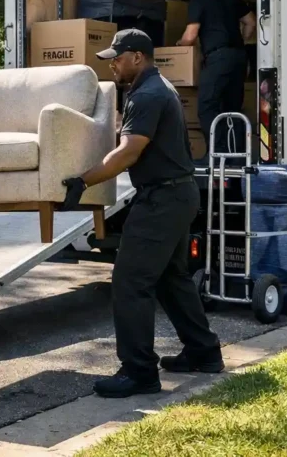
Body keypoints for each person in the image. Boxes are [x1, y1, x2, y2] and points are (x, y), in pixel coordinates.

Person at [62, 29, 223, 398]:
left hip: (162, 200)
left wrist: (82, 181)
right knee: (171, 278)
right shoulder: (154, 87)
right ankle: (204, 351)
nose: (113, 64)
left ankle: (139, 373)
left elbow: (128, 153)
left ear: (138, 57)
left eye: (117, 58)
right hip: (176, 194)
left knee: (130, 282)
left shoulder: (149, 93)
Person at [176, 0, 256, 161]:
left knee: (207, 106)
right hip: (239, 58)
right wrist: (241, 42)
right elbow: (251, 22)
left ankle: (216, 155)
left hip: (218, 58)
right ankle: (236, 157)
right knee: (233, 109)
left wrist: (178, 45)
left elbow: (190, 36)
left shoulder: (198, 1)